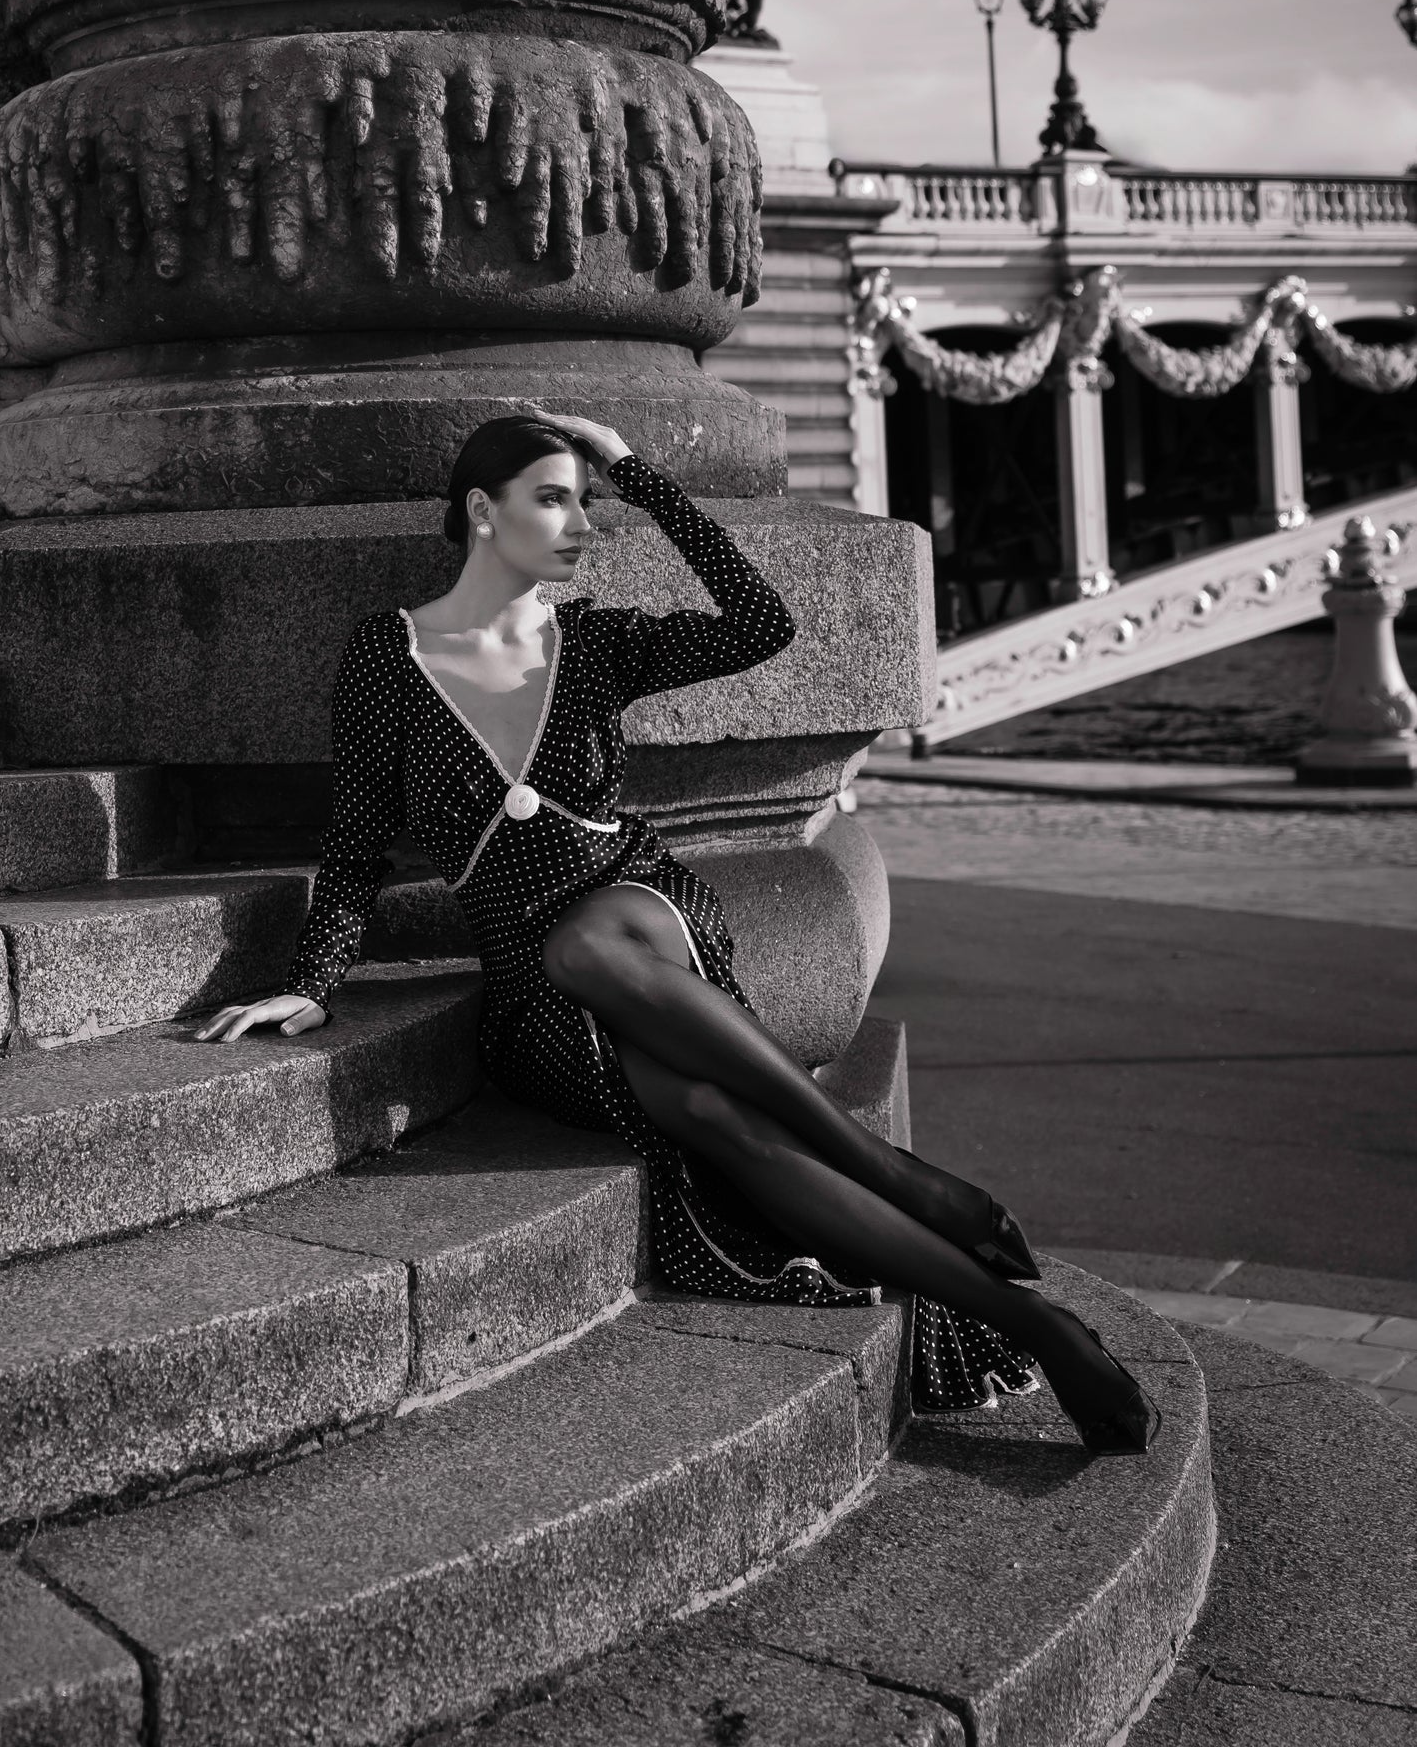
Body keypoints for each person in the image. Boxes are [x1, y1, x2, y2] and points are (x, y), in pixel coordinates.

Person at [198, 413, 1157, 1449]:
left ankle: (889, 1172)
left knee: (588, 943)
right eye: (554, 499)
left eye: (587, 501)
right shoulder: (387, 657)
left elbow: (761, 625)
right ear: (481, 510)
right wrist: (313, 980)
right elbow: (354, 845)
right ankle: (1039, 1324)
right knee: (707, 1114)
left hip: (639, 910)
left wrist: (638, 475)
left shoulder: (596, 643)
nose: (582, 524)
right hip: (535, 997)